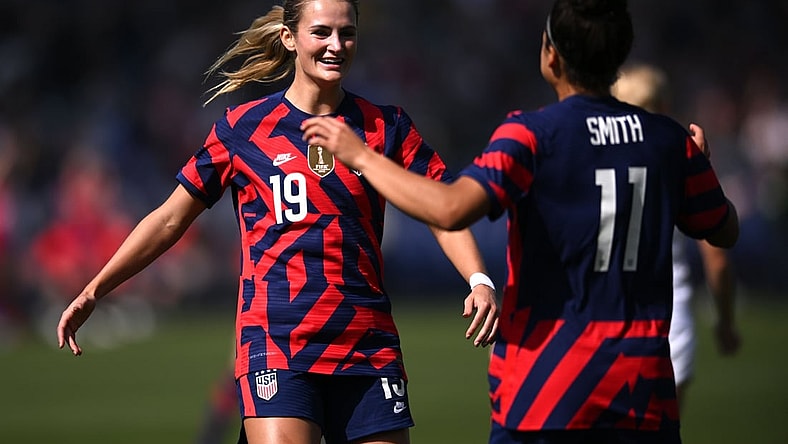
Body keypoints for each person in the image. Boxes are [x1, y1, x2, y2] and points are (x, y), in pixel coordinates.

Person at [56, 1, 499, 444]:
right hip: (277, 342)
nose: (335, 45)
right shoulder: (241, 128)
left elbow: (445, 209)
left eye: (346, 34)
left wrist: (479, 279)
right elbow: (170, 218)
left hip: (367, 343)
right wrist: (96, 288)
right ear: (290, 39)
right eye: (321, 32)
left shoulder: (387, 126)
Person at [301, 0, 740, 443]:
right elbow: (723, 229)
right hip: (643, 388)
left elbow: (450, 208)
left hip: (547, 387)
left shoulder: (531, 134)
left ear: (551, 56)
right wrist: (698, 169)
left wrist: (361, 157)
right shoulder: (668, 140)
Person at [611, 63, 741, 410]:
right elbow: (718, 252)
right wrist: (726, 322)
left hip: (604, 323)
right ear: (665, 108)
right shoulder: (678, 163)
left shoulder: (596, 165)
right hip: (668, 322)